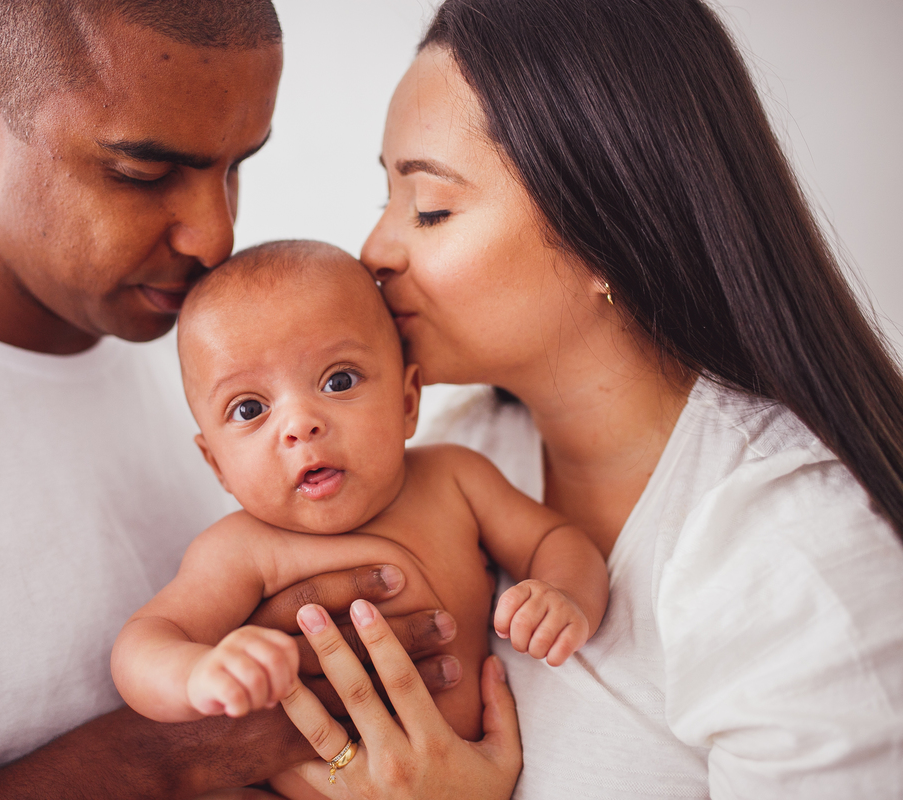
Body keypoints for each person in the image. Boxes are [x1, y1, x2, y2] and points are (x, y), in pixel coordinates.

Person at [0, 3, 515, 798]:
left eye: (236, 168)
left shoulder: (234, 352)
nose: (213, 237)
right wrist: (170, 757)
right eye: (143, 173)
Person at [274, 0, 903, 797]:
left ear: (610, 230)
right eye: (386, 201)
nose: (374, 249)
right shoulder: (462, 449)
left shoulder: (798, 558)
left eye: (429, 208)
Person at [109, 242, 608, 796]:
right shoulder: (240, 550)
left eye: (338, 381)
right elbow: (145, 641)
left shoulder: (455, 479)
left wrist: (565, 597)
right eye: (249, 409)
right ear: (217, 464)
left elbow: (553, 539)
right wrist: (196, 675)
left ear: (407, 400)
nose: (300, 424)